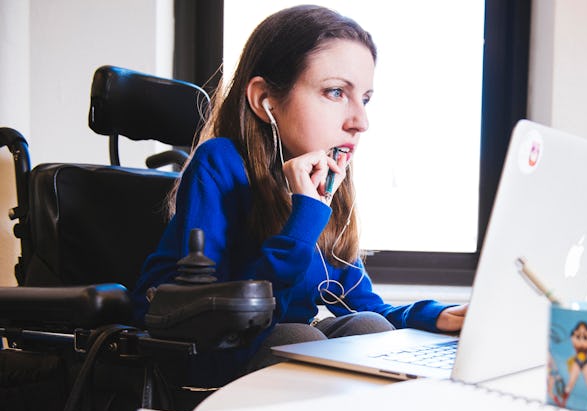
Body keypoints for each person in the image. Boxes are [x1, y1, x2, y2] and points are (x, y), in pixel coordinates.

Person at [132, 5, 466, 387]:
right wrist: (303, 218)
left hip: (266, 348)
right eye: (336, 92)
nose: (360, 121)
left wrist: (435, 315)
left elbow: (365, 305)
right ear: (265, 101)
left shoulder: (324, 179)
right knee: (298, 337)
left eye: (366, 99)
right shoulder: (221, 162)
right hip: (201, 348)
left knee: (370, 328)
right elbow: (225, 316)